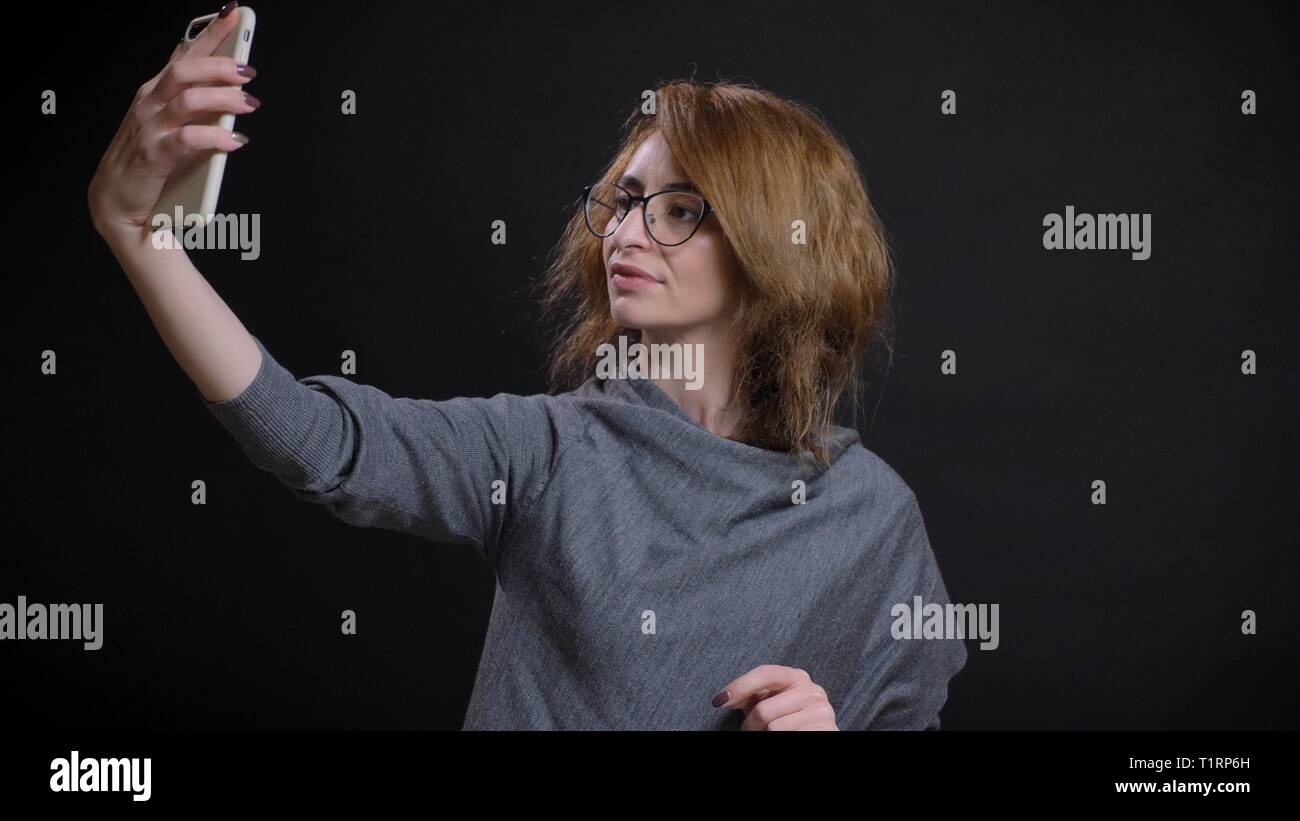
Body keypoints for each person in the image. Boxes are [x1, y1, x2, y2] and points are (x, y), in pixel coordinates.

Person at [88, 0, 967, 730]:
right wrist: (141, 236)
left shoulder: (872, 519)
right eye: (625, 201)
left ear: (777, 247)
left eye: (679, 209)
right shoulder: (551, 453)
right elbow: (322, 443)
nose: (626, 231)